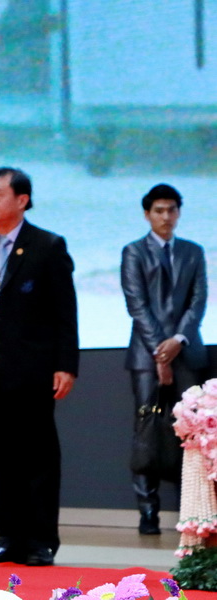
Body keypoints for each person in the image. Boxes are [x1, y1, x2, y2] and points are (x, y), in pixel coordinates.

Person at [0, 166, 79, 567]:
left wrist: (66, 365)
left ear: (22, 200)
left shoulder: (47, 246)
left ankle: (40, 542)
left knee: (37, 458)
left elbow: (65, 313)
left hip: (32, 371)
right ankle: (8, 537)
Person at [121, 183, 208, 535]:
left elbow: (198, 302)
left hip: (188, 353)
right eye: (159, 210)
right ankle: (148, 512)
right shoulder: (133, 252)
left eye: (172, 209)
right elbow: (136, 304)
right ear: (147, 214)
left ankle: (194, 510)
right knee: (147, 431)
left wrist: (177, 341)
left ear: (179, 212)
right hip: (146, 356)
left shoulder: (193, 251)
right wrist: (161, 349)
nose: (166, 216)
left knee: (193, 432)